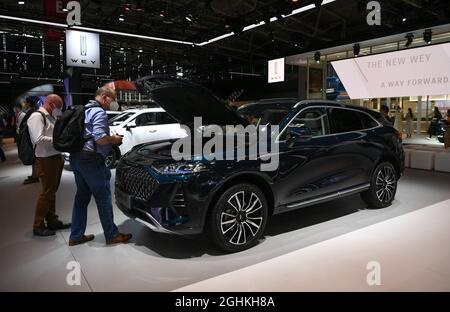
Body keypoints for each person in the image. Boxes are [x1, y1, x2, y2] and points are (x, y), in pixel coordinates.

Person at [69, 87, 132, 246]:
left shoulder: (84, 109)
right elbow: (100, 139)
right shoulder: (99, 112)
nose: (114, 103)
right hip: (91, 160)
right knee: (103, 198)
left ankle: (75, 235)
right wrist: (114, 139)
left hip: (77, 157)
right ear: (105, 97)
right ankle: (111, 235)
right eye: (113, 99)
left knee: (81, 198)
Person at [27, 94, 71, 236]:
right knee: (47, 193)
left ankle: (52, 221)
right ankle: (38, 225)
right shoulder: (37, 116)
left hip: (55, 157)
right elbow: (38, 138)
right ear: (50, 103)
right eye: (58, 106)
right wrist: (57, 140)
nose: (59, 109)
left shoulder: (50, 116)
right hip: (45, 159)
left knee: (51, 192)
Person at [20, 97, 41, 184]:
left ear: (28, 103)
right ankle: (34, 175)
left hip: (31, 139)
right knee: (33, 158)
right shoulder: (32, 112)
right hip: (30, 138)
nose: (24, 104)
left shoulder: (32, 112)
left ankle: (35, 176)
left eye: (25, 102)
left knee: (34, 158)